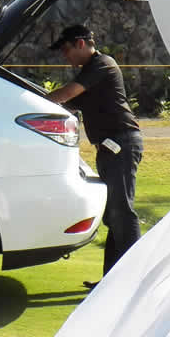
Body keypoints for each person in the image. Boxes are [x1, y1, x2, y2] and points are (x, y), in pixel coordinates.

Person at [45, 24, 144, 290]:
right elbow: (68, 101)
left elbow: (65, 94)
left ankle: (134, 282)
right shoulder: (89, 72)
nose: (65, 56)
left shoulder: (102, 64)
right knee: (114, 215)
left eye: (66, 49)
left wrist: (39, 100)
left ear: (80, 43)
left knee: (122, 212)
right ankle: (111, 283)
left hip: (122, 144)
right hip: (110, 148)